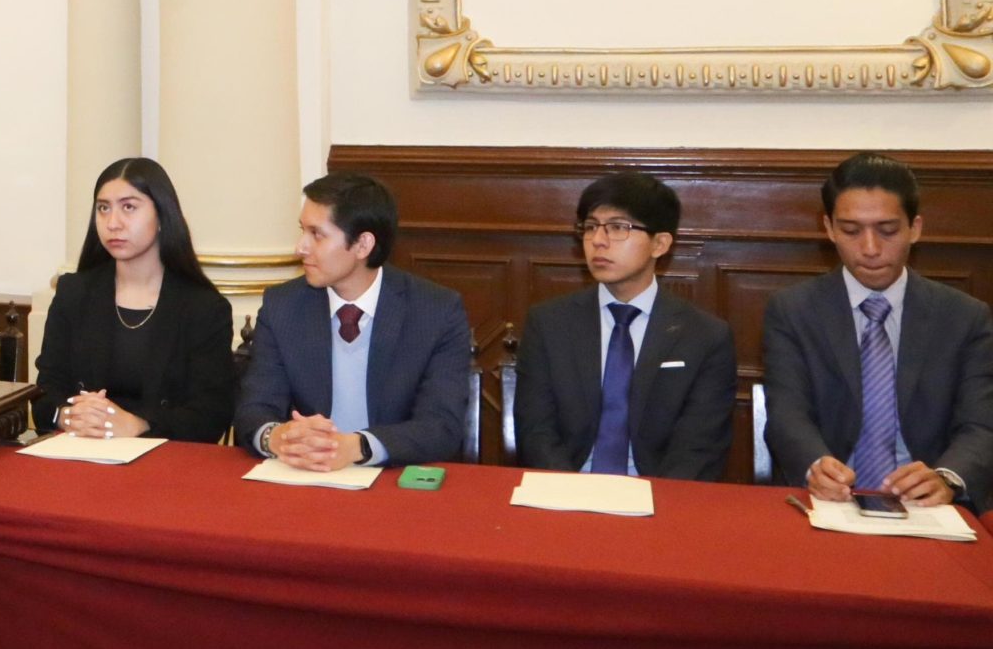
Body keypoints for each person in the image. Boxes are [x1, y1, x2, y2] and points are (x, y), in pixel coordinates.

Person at [764, 152, 993, 510]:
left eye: (887, 231)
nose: (870, 249)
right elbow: (787, 413)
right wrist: (816, 465)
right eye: (851, 231)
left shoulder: (964, 317)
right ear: (828, 228)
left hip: (928, 505)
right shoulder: (794, 311)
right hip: (830, 501)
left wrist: (947, 477)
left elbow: (981, 425)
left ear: (914, 228)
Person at [236, 172, 469, 470]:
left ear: (362, 245)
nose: (300, 247)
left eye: (316, 234)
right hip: (303, 479)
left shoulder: (435, 311)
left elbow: (441, 426)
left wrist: (356, 446)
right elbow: (254, 408)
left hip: (394, 481)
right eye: (302, 231)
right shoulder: (283, 306)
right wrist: (277, 436)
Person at [514, 172, 736, 481]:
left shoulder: (705, 336)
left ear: (660, 244)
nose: (598, 241)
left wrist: (652, 503)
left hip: (660, 500)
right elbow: (535, 430)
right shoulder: (549, 323)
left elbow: (699, 448)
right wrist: (570, 493)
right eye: (591, 227)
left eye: (618, 227)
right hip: (566, 491)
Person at [32, 157, 235, 443]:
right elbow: (45, 392)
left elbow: (211, 414)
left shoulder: (202, 308)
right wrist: (66, 415)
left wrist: (140, 424)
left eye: (129, 207)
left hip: (163, 463)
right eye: (103, 209)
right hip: (80, 453)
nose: (113, 223)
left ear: (163, 215)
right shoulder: (74, 293)